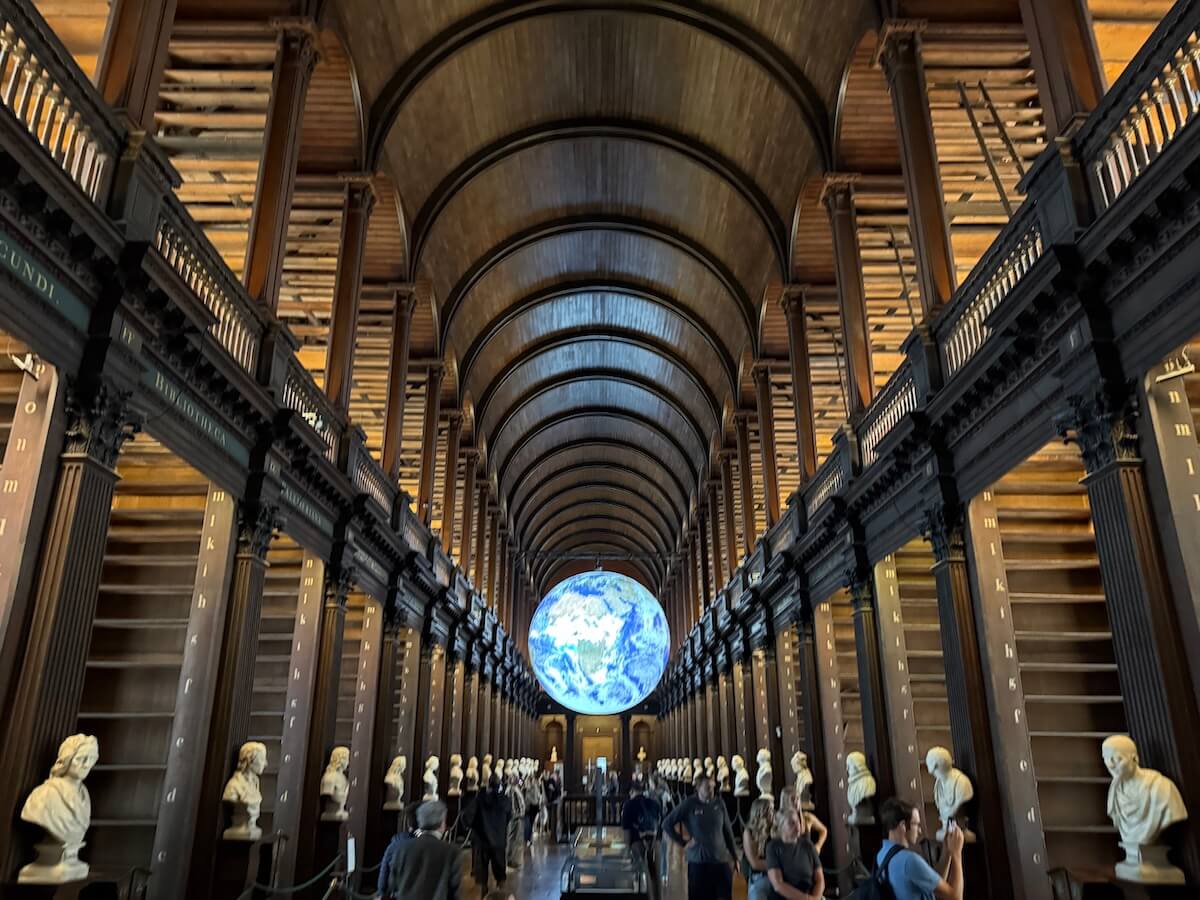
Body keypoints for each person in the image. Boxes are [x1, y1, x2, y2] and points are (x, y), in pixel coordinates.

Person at [661, 774, 738, 900]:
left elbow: (727, 830)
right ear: (698, 788)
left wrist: (735, 856)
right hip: (698, 862)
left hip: (720, 861)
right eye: (707, 788)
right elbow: (667, 824)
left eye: (713, 787)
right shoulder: (689, 804)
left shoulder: (719, 803)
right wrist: (683, 842)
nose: (711, 791)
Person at [876, 797, 965, 900]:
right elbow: (956, 897)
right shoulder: (909, 861)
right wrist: (956, 854)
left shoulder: (882, 854)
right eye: (916, 824)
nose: (920, 831)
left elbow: (934, 886)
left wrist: (947, 851)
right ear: (903, 826)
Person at [383, 799, 461, 900]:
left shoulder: (400, 848)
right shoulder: (452, 852)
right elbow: (454, 892)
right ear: (442, 823)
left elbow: (393, 885)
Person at [464, 775, 511, 898]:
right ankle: (502, 897)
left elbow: (467, 818)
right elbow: (509, 816)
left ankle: (483, 897)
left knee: (482, 876)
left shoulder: (479, 799)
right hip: (499, 841)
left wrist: (475, 826)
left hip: (481, 841)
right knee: (500, 875)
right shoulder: (505, 799)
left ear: (488, 785)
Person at [765, 807, 823, 900]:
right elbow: (778, 884)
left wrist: (815, 898)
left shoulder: (808, 845)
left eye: (797, 822)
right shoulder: (773, 847)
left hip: (810, 895)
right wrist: (806, 899)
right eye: (791, 823)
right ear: (781, 826)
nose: (797, 826)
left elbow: (819, 879)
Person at [621, 781, 664, 900]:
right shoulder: (654, 803)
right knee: (656, 873)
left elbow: (627, 830)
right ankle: (659, 897)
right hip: (656, 841)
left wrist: (627, 849)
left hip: (638, 842)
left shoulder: (628, 805)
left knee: (645, 873)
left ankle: (649, 897)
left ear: (631, 791)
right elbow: (660, 824)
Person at [741, 797, 774, 900]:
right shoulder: (749, 832)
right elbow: (755, 863)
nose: (773, 813)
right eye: (769, 810)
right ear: (760, 812)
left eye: (773, 809)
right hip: (760, 874)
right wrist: (778, 865)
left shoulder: (775, 829)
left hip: (777, 874)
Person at [779, 785, 828, 855]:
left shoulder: (807, 817)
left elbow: (823, 830)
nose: (796, 802)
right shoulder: (779, 821)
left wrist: (818, 846)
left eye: (798, 798)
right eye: (792, 799)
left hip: (808, 860)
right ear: (785, 801)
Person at [504, 773, 526, 870]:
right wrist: (515, 815)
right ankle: (510, 859)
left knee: (516, 839)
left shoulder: (515, 789)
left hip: (518, 817)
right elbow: (512, 804)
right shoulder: (512, 790)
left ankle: (514, 859)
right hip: (515, 818)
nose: (517, 779)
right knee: (512, 839)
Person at [523, 771, 545, 845]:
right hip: (533, 807)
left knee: (529, 823)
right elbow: (538, 796)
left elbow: (530, 798)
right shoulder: (533, 787)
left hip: (531, 807)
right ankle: (528, 838)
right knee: (530, 823)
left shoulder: (531, 788)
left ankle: (528, 839)